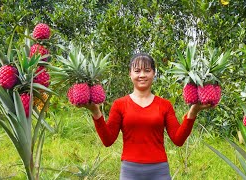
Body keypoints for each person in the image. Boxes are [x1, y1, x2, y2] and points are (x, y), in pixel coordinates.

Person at [81, 53, 211, 180]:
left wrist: (192, 113)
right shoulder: (119, 104)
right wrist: (96, 112)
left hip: (159, 171)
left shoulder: (164, 105)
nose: (142, 75)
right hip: (130, 171)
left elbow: (178, 139)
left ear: (154, 73)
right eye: (137, 71)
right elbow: (108, 140)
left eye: (147, 70)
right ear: (130, 74)